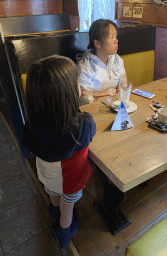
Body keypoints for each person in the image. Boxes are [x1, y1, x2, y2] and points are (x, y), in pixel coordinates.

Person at [22, 55, 96, 248]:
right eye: (77, 83)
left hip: (46, 175)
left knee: (54, 195)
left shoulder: (31, 125)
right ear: (70, 93)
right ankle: (64, 234)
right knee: (68, 207)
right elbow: (91, 137)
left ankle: (54, 210)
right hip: (71, 180)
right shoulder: (83, 123)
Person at [77, 19, 127, 105]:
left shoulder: (117, 60)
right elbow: (86, 99)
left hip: (115, 105)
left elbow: (123, 85)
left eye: (116, 36)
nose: (116, 40)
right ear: (97, 43)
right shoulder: (85, 66)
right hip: (95, 110)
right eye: (111, 37)